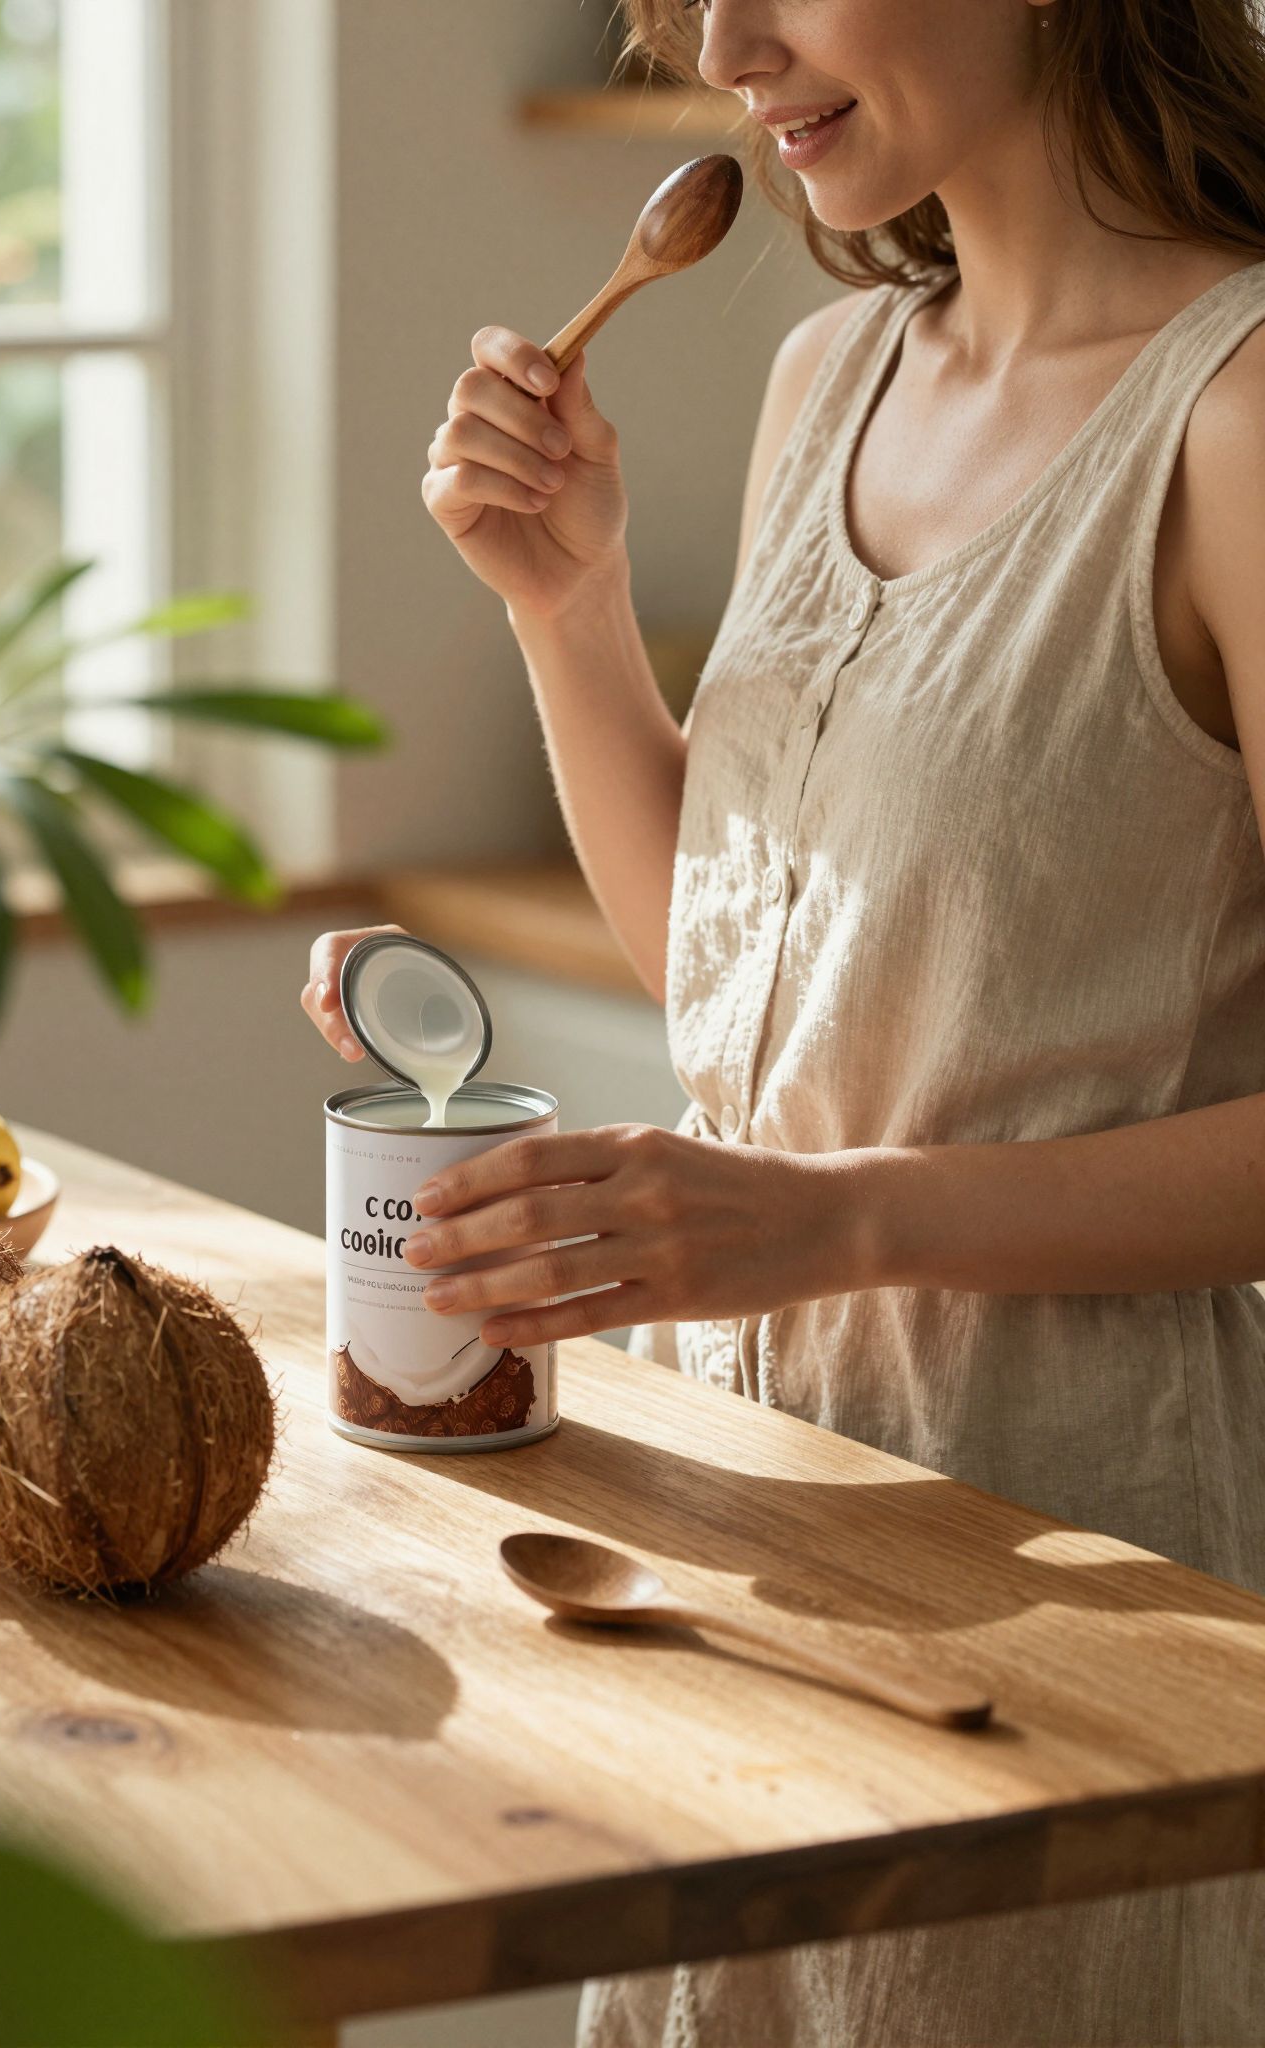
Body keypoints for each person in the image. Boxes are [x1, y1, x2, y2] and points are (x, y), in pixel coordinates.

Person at [302, 0, 1265, 2037]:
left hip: (1073, 1552)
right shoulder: (826, 375)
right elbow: (755, 983)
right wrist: (563, 612)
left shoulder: (1240, 416)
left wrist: (840, 1218)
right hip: (720, 1522)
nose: (719, 45)